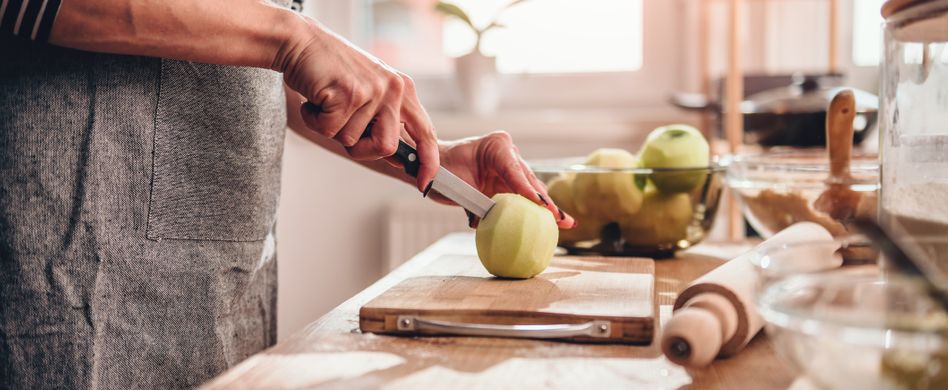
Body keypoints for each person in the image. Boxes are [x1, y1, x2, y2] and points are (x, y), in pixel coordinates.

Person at [0, 0, 575, 388]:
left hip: (227, 275)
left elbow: (267, 79)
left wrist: (436, 160)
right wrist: (289, 36)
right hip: (75, 269)